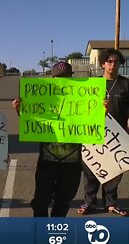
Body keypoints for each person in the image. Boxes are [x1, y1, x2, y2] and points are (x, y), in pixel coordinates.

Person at [13, 62, 85, 217]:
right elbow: (32, 124)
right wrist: (21, 111)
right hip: (47, 162)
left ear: (72, 78)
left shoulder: (83, 99)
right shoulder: (43, 97)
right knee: (40, 200)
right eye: (58, 78)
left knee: (63, 201)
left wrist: (102, 111)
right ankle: (40, 232)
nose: (62, 81)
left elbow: (92, 125)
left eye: (66, 77)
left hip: (72, 163)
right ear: (52, 78)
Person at [78, 48, 129, 217]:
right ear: (102, 64)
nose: (113, 65)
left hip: (117, 136)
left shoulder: (126, 84)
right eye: (109, 61)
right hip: (94, 133)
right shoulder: (92, 85)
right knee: (91, 170)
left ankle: (111, 203)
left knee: (114, 170)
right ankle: (89, 203)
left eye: (116, 62)